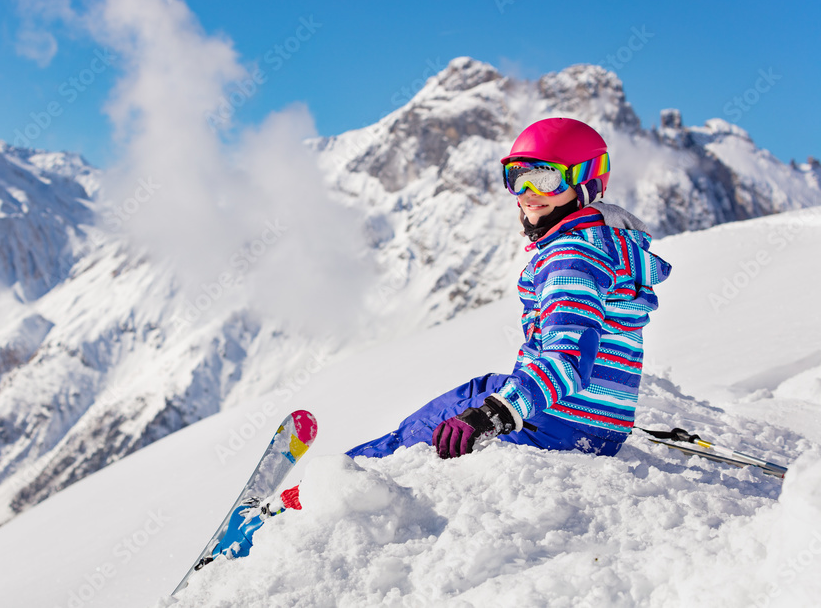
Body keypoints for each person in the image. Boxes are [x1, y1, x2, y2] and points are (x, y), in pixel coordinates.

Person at [210, 117, 672, 562]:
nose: (530, 196)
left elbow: (568, 359)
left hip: (554, 424)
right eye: (518, 179)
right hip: (599, 425)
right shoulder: (610, 247)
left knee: (412, 438)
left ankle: (292, 508)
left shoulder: (570, 257)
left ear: (586, 183)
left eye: (547, 180)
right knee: (477, 389)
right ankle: (310, 494)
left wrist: (494, 415)